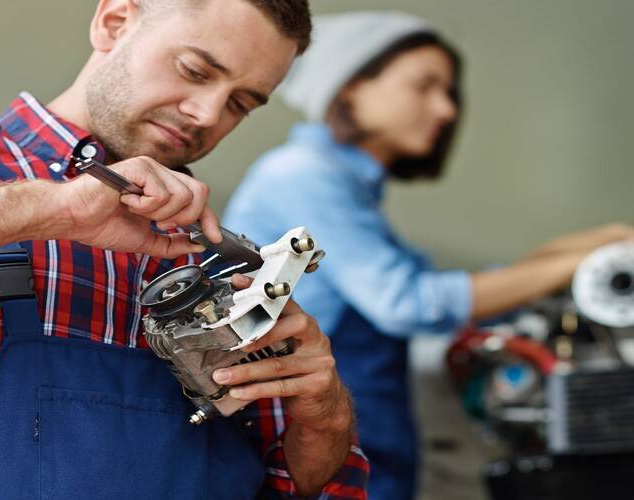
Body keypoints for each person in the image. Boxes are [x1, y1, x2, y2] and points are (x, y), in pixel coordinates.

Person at [0, 1, 370, 498]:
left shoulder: (224, 266)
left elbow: (306, 485)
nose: (208, 114)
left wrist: (325, 420)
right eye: (195, 71)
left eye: (240, 103)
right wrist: (58, 208)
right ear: (113, 22)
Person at [223, 11, 634, 500]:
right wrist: (569, 263)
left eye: (449, 93)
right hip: (325, 437)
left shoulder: (343, 187)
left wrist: (600, 242)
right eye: (425, 86)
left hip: (369, 439)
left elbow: (455, 291)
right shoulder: (301, 174)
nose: (445, 109)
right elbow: (411, 303)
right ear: (351, 86)